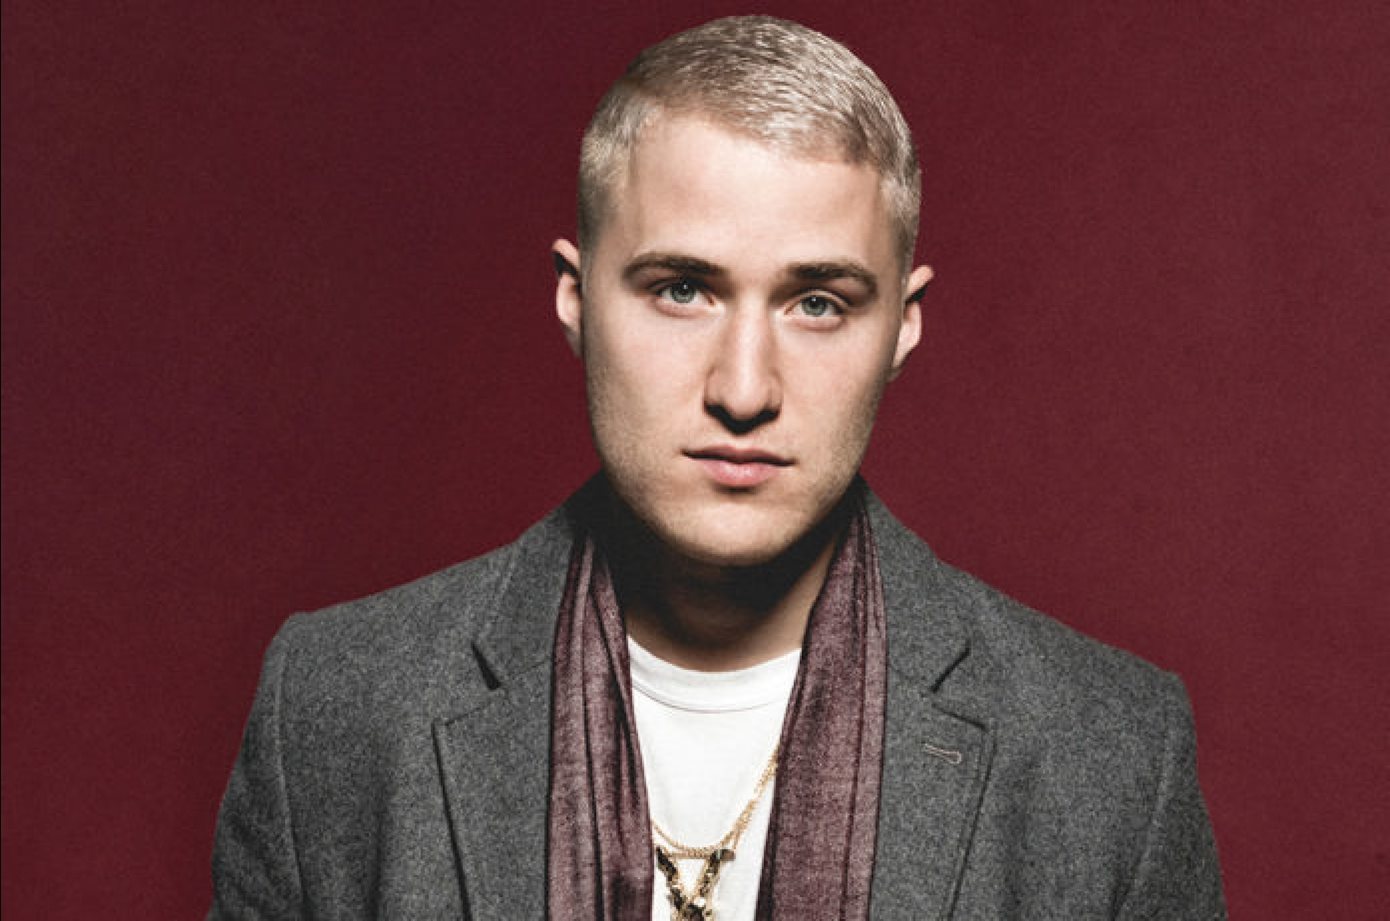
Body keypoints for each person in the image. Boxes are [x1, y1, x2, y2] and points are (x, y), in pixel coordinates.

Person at [210, 16, 1225, 920]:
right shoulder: (335, 710)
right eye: (682, 289)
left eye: (818, 302)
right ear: (576, 302)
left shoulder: (1108, 758)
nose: (744, 389)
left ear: (902, 328)